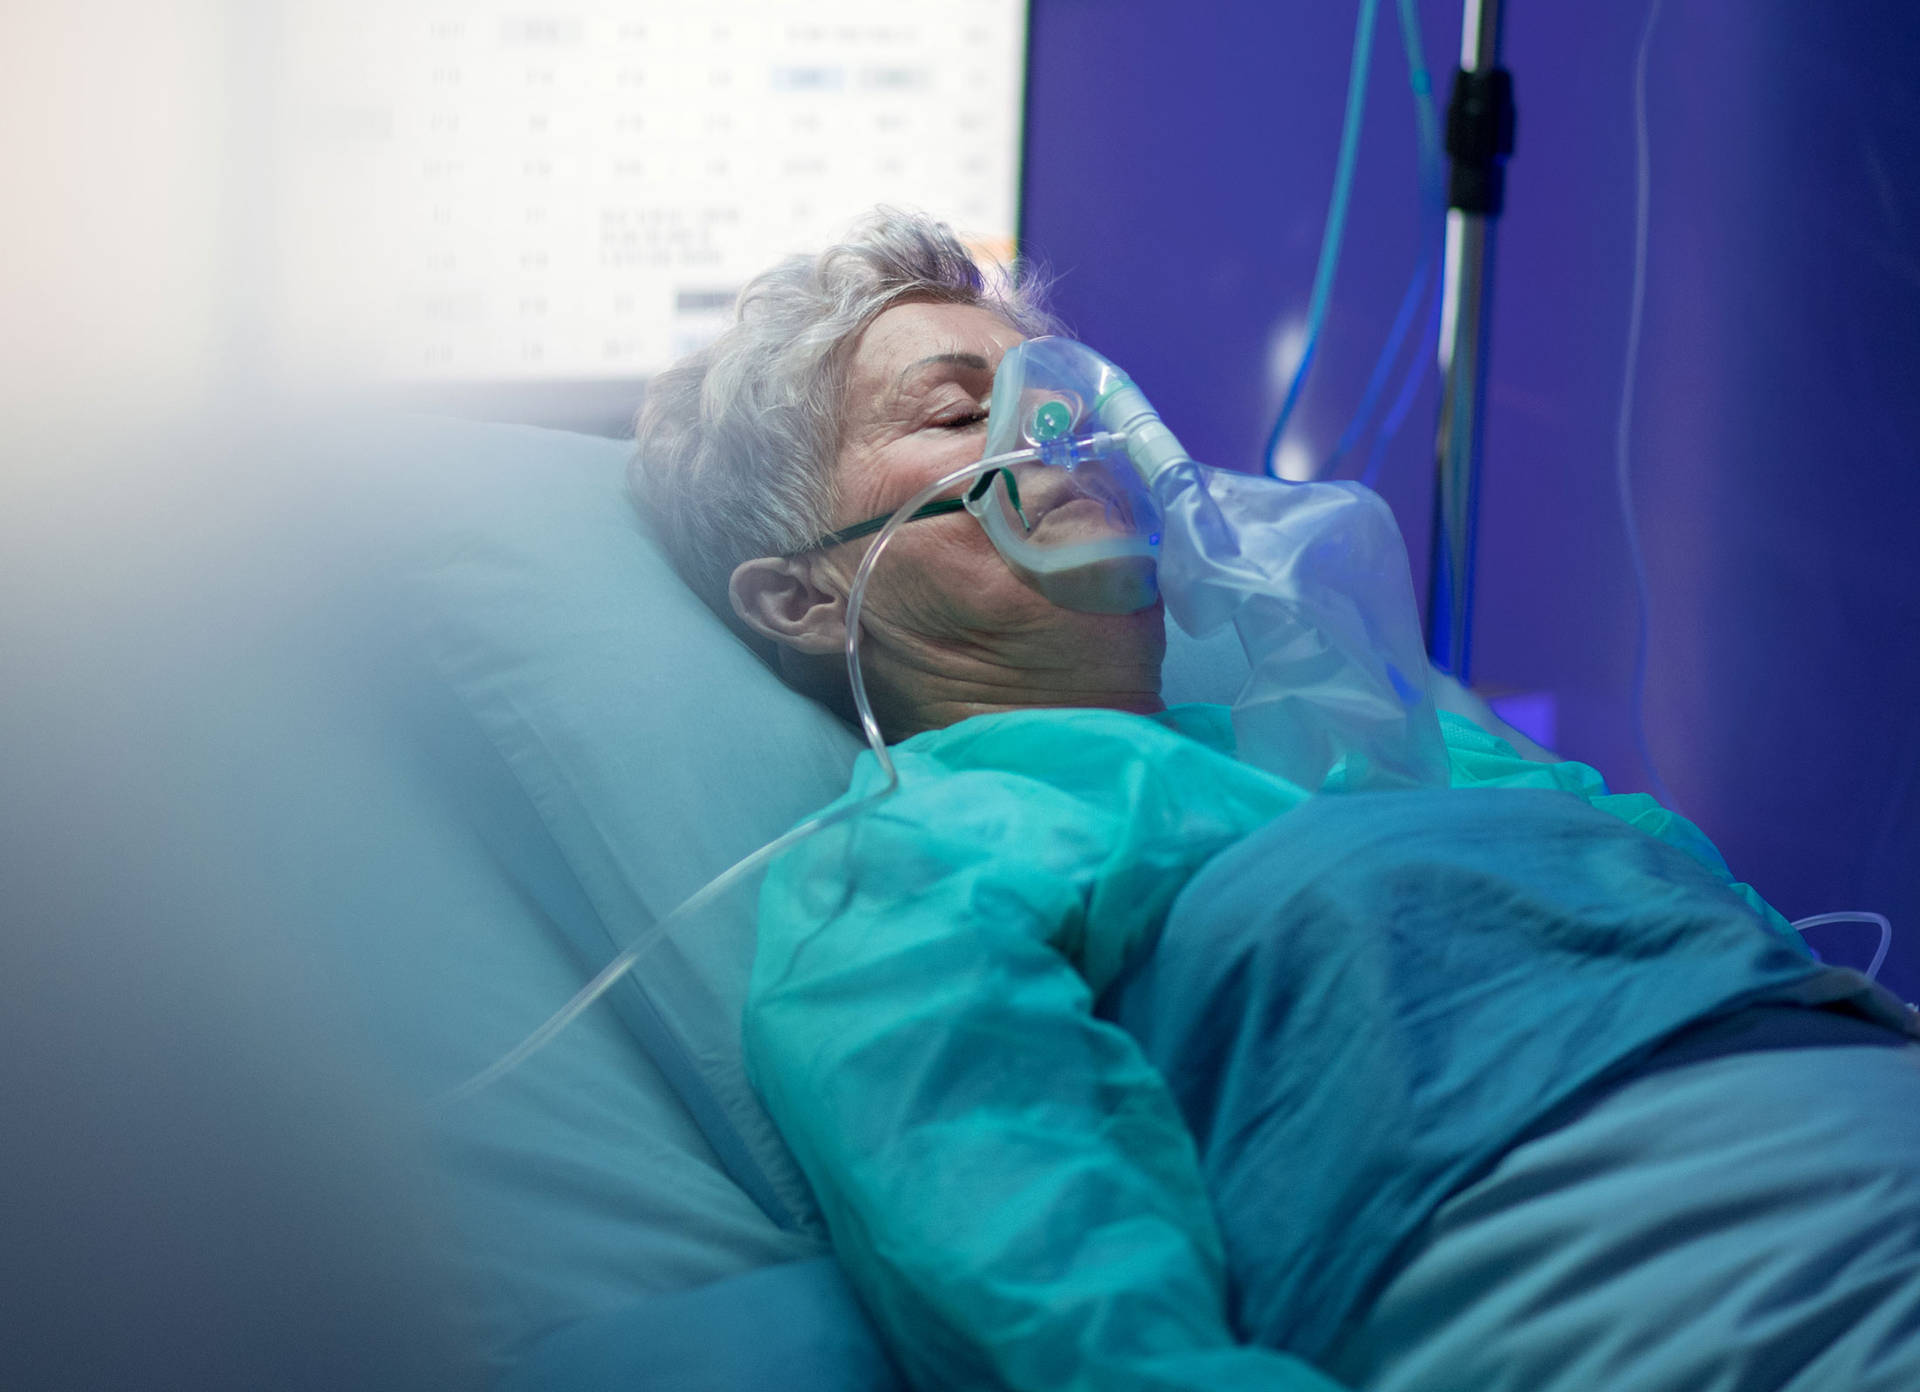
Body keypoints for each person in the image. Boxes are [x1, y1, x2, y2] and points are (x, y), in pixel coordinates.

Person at [632, 209, 1920, 1392]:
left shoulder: (1411, 749)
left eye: (1064, 398)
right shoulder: (915, 869)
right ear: (802, 595)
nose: (1050, 433)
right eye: (959, 413)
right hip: (1674, 1286)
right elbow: (1083, 1333)